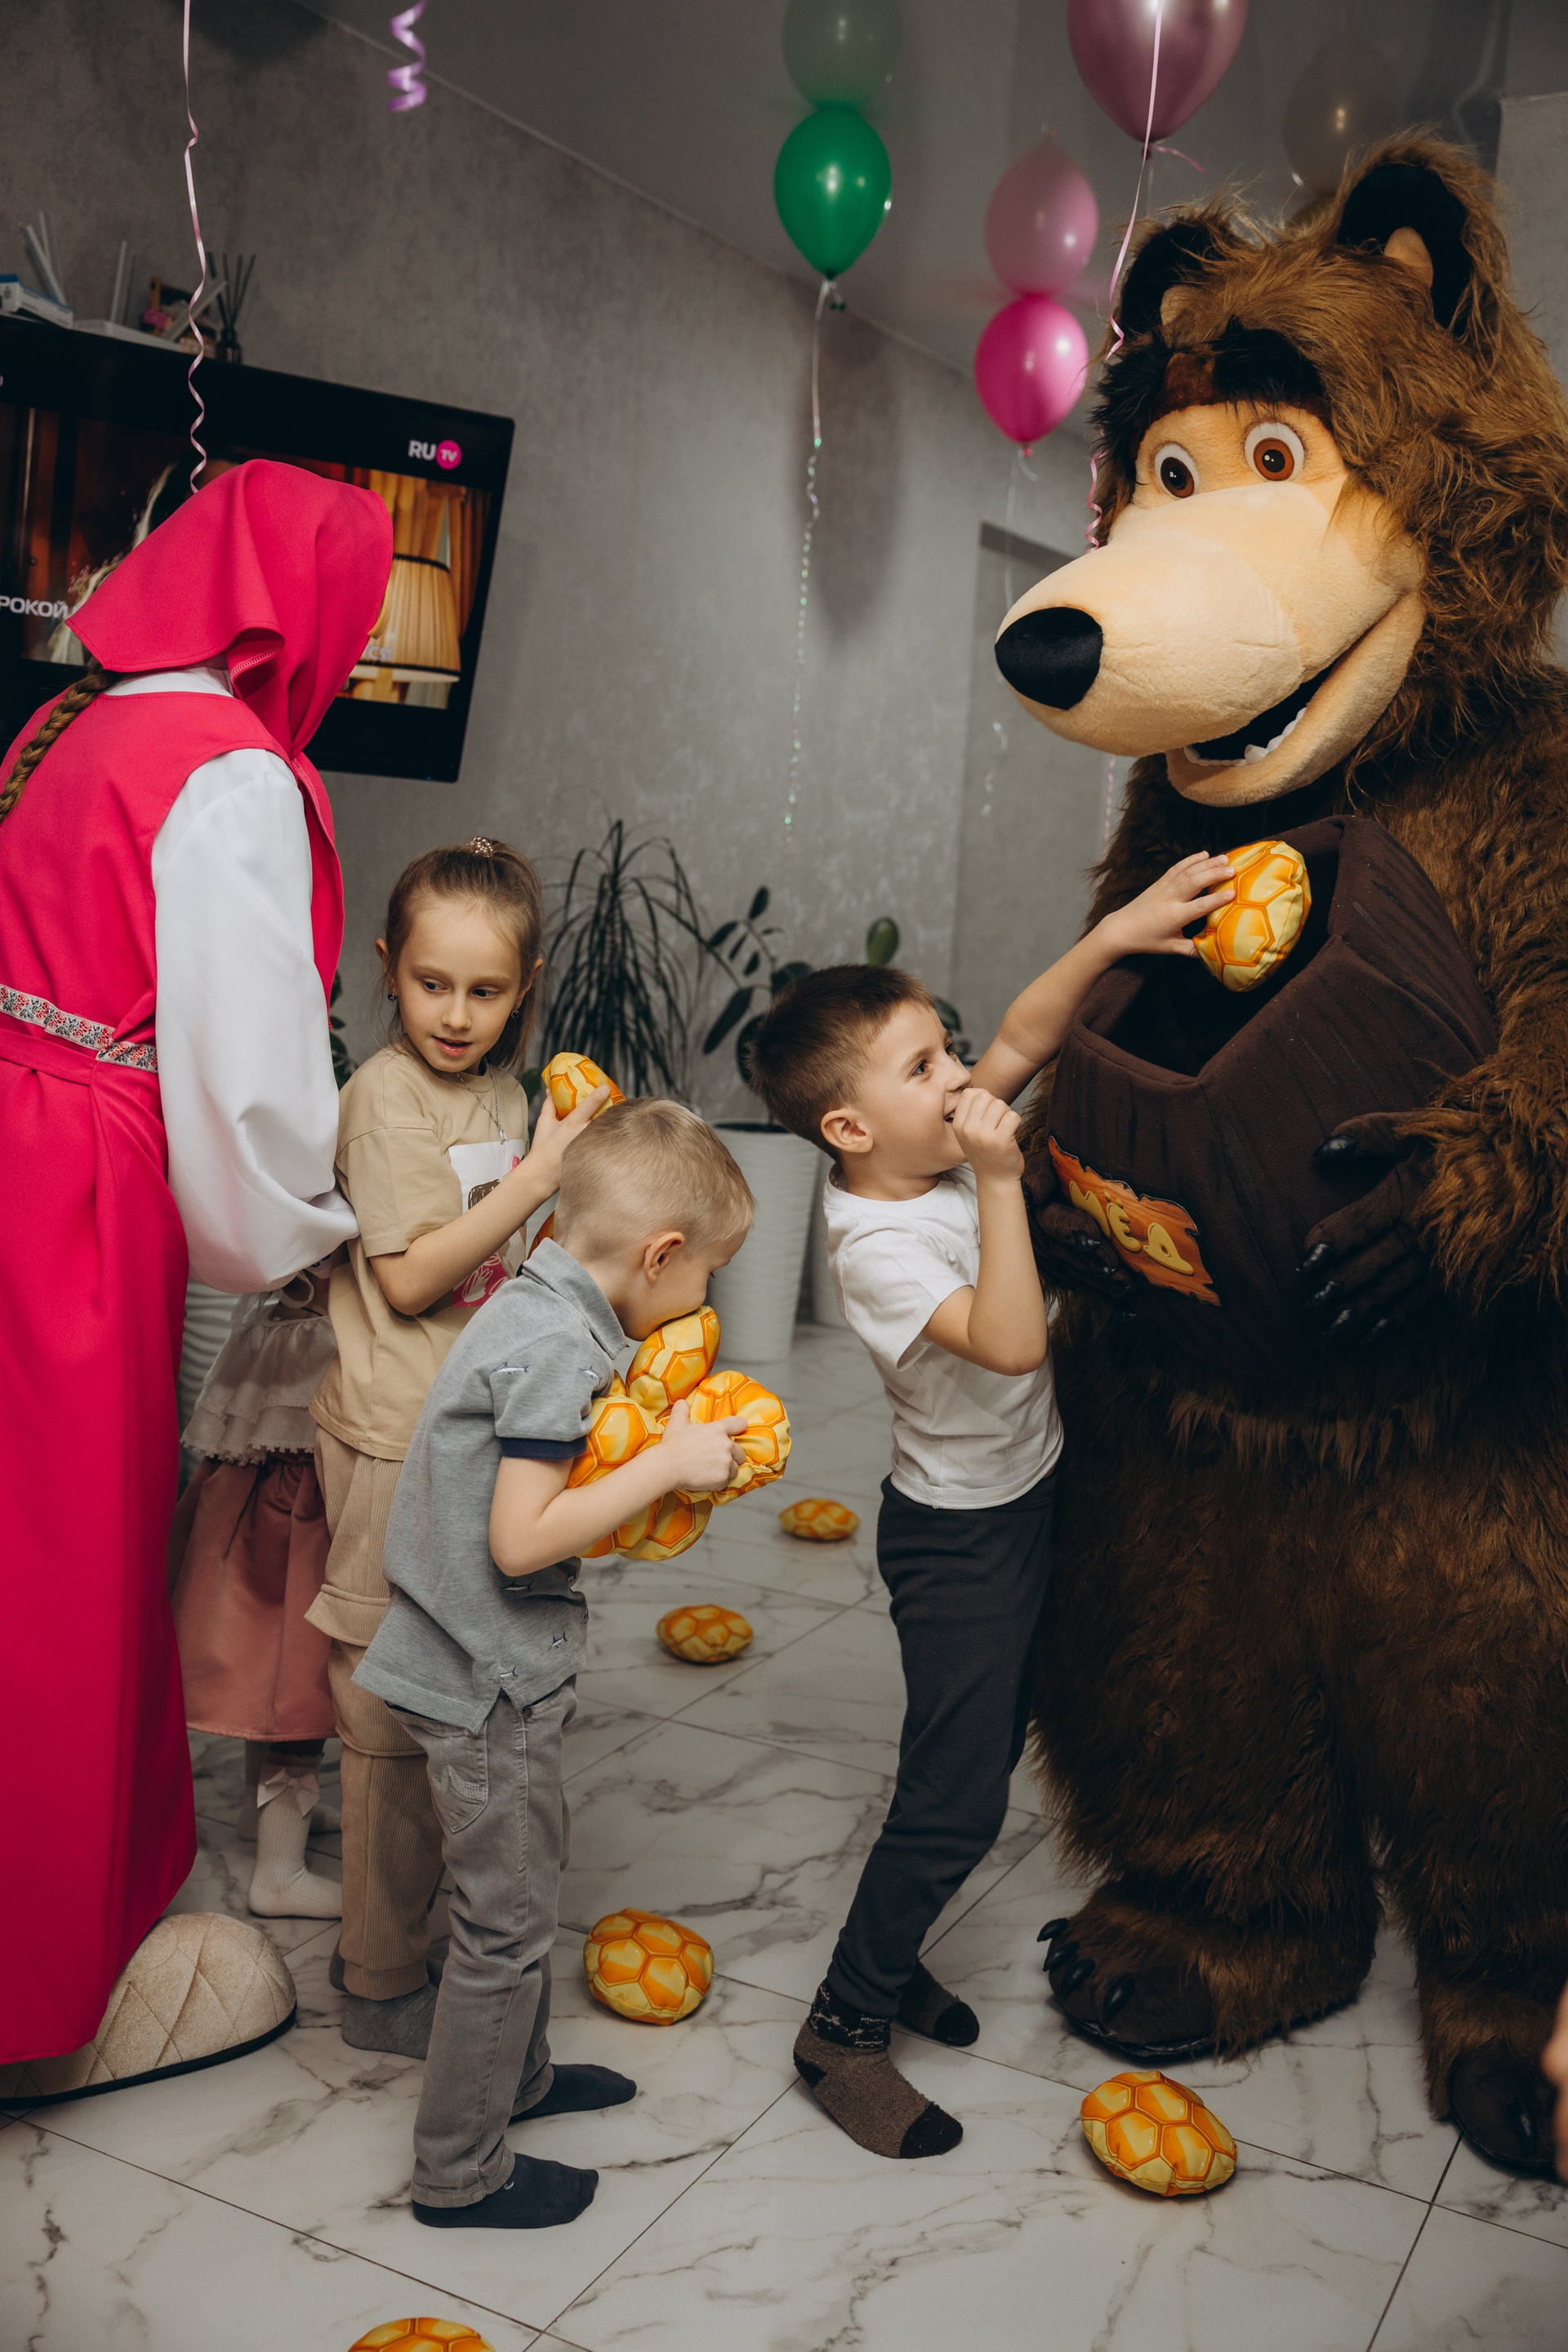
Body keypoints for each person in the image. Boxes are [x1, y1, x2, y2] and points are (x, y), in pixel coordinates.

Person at [746, 851, 1236, 2157]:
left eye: (943, 1047)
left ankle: (891, 1947)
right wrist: (1005, 1181)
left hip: (1022, 1498)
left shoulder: (925, 1156)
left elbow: (1024, 1031)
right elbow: (1014, 1344)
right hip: (956, 1539)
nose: (962, 1076)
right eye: (923, 1068)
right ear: (849, 1132)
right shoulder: (878, 1243)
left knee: (978, 1751)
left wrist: (1121, 932)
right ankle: (842, 2027)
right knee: (957, 1801)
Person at [0, 459, 391, 2065]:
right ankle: (37, 1961)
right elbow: (246, 1076)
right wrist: (322, 1235)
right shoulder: (229, 772)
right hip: (77, 1171)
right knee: (69, 1564)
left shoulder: (65, 723)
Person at [354, 1098, 754, 2230]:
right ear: (660, 1256)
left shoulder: (537, 1298)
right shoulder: (554, 1350)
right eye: (708, 1276)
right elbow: (522, 1541)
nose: (705, 1300)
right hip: (486, 1683)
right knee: (505, 1926)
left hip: (480, 1663)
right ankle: (459, 2173)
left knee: (524, 1892)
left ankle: (518, 2081)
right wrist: (668, 1462)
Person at [306, 839, 608, 2057]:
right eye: (432, 984)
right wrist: (540, 1174)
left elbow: (513, 1267)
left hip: (470, 1431)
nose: (455, 1014)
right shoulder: (385, 1099)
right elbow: (412, 1276)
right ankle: (379, 1979)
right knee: (388, 1710)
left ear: (524, 987)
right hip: (395, 1435)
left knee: (463, 1696)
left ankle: (442, 1946)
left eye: (486, 992)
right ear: (389, 967)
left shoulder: (507, 1095)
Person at [170, 1258, 344, 1922]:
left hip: (261, 1497)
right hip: (299, 1501)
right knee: (296, 1680)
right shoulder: (324, 1327)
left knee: (267, 1664)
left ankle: (257, 1813)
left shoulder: (274, 1321)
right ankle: (280, 1872)